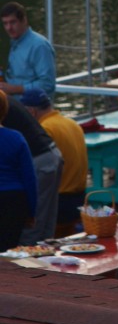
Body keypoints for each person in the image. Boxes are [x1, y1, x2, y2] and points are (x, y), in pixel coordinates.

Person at [20, 89, 87, 235]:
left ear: (31, 111)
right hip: (80, 198)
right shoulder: (72, 123)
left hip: (60, 202)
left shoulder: (43, 130)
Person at [3, 95, 63, 243]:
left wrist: (30, 212)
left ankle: (28, 264)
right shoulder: (5, 99)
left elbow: (28, 178)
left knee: (32, 227)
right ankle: (47, 262)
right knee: (46, 225)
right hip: (51, 154)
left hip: (39, 159)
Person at [0, 91, 38, 251]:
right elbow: (29, 179)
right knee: (9, 250)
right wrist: (31, 212)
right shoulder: (16, 138)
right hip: (14, 201)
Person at [0, 1, 57, 99]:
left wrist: (15, 89)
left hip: (33, 110)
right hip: (12, 106)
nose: (9, 28)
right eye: (5, 23)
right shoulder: (12, 43)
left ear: (24, 20)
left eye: (13, 22)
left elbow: (48, 84)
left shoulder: (39, 46)